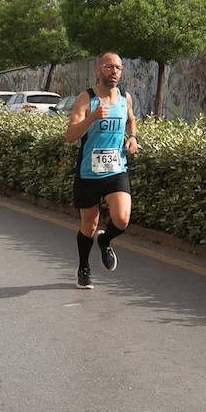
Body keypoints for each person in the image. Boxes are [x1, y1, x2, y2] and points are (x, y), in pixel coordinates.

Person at [63, 51, 138, 289]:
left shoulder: (126, 97)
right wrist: (93, 117)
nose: (114, 71)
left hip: (116, 169)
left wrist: (133, 138)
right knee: (88, 226)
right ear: (98, 70)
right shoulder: (87, 98)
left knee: (122, 219)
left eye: (118, 67)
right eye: (109, 67)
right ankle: (83, 267)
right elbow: (70, 135)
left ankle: (105, 241)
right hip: (89, 172)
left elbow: (131, 119)